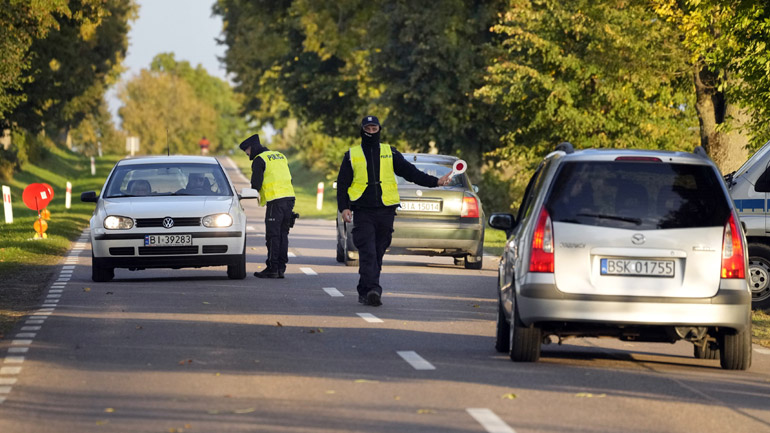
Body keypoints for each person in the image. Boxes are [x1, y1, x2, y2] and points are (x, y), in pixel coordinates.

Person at [336, 115, 452, 306]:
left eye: (375, 129)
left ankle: (365, 288)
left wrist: (436, 182)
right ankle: (374, 289)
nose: (372, 132)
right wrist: (344, 208)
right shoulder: (352, 154)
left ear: (379, 130)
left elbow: (411, 172)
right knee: (368, 252)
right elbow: (342, 184)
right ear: (362, 131)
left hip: (386, 211)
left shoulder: (390, 152)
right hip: (363, 211)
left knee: (378, 251)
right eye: (368, 129)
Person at [239, 134, 296, 279]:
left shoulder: (260, 159)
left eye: (246, 151)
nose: (246, 154)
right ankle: (281, 268)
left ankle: (272, 268)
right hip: (289, 198)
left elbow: (256, 185)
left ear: (252, 148)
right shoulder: (279, 156)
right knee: (283, 234)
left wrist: (250, 192)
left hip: (275, 201)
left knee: (273, 236)